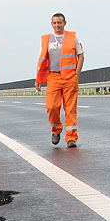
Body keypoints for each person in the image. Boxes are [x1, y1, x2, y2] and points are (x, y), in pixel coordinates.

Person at [35, 13, 85, 148]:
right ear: (51, 24)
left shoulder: (72, 37)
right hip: (53, 78)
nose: (57, 25)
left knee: (70, 109)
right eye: (55, 23)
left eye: (60, 22)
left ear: (65, 23)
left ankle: (71, 138)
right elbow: (42, 60)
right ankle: (56, 130)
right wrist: (38, 78)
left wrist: (77, 75)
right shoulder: (47, 39)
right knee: (51, 107)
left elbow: (81, 56)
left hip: (70, 78)